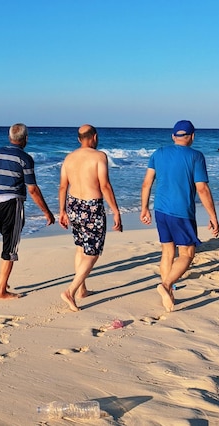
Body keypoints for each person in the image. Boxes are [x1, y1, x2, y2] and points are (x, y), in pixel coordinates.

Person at [140, 120, 219, 312]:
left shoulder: (158, 153)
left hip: (160, 210)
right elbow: (202, 189)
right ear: (192, 136)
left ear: (173, 136)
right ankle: (166, 285)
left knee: (167, 251)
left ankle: (169, 295)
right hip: (181, 212)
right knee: (187, 254)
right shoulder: (196, 156)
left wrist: (144, 208)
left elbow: (147, 183)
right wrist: (213, 216)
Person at [0, 123, 55, 299]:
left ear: (9, 137)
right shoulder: (25, 158)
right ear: (26, 139)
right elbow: (32, 189)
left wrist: (1, 181)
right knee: (11, 247)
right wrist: (47, 212)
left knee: (7, 241)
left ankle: (1, 280)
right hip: (11, 204)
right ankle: (1, 292)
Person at [59, 124, 122, 312]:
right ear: (94, 137)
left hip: (72, 204)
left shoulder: (69, 158)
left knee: (80, 248)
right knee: (92, 252)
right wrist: (116, 211)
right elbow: (105, 186)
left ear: (79, 139)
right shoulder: (99, 156)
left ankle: (82, 290)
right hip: (91, 206)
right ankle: (70, 291)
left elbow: (63, 186)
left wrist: (61, 210)